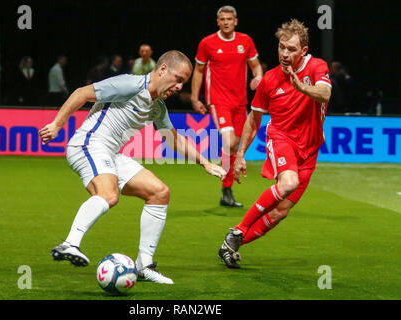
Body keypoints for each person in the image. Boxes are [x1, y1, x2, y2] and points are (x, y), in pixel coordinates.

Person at [39, 50, 226, 284]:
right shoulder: (130, 84)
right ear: (163, 70)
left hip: (111, 153)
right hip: (88, 144)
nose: (179, 87)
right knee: (109, 194)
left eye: (183, 83)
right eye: (178, 79)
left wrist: (205, 163)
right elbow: (82, 94)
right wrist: (57, 124)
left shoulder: (157, 107)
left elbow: (173, 138)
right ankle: (70, 244)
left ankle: (143, 266)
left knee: (159, 193)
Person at [217, 19, 332, 268]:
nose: (285, 54)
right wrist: (240, 156)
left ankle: (230, 244)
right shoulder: (270, 79)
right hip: (281, 138)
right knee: (288, 183)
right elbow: (253, 119)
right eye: (282, 47)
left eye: (291, 49)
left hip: (310, 149)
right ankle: (240, 228)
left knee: (280, 212)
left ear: (303, 50)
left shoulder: (316, 67)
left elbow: (325, 93)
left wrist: (301, 87)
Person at [191, 5, 264, 207]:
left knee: (234, 145)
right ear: (218, 22)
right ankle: (226, 185)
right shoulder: (208, 43)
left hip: (240, 102)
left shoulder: (245, 41)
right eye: (222, 19)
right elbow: (198, 71)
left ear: (235, 21)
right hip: (218, 99)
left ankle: (226, 190)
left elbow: (256, 65)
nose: (226, 22)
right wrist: (195, 98)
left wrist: (258, 77)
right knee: (230, 142)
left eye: (229, 19)